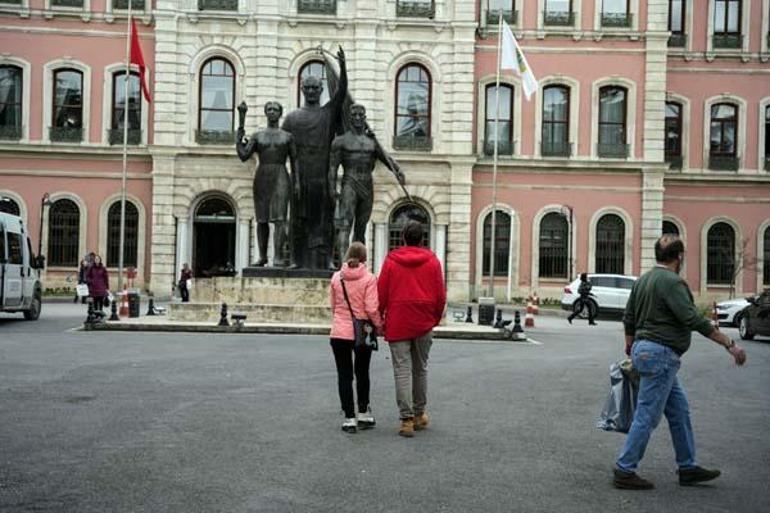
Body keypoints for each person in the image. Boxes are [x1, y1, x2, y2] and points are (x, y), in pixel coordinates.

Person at [613, 234, 747, 490]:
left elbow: (628, 317)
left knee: (679, 411)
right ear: (680, 257)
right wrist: (730, 344)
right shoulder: (672, 282)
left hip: (646, 351)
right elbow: (692, 319)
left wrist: (631, 345)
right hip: (661, 354)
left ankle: (687, 466)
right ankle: (625, 469)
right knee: (647, 414)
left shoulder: (644, 280)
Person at [378, 220, 446, 437]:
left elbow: (382, 293)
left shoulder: (391, 261)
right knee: (420, 369)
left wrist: (380, 318)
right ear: (422, 238)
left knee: (402, 370)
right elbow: (440, 295)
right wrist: (434, 319)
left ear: (404, 238)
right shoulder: (433, 261)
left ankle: (406, 419)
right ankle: (419, 414)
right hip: (424, 320)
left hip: (398, 320)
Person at [282, 46, 347, 270]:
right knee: (297, 220)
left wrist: (343, 67)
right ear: (302, 89)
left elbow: (341, 95)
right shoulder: (291, 119)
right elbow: (284, 150)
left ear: (321, 90)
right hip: (300, 176)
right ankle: (292, 259)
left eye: (315, 87)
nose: (311, 91)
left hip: (322, 177)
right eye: (307, 87)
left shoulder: (328, 113)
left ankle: (328, 259)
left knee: (326, 221)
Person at [328, 103, 405, 264]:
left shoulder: (372, 142)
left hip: (367, 185)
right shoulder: (340, 141)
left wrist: (397, 170)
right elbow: (333, 168)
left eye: (360, 115)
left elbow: (386, 159)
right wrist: (332, 189)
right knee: (344, 225)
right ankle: (343, 263)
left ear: (364, 118)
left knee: (361, 228)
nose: (357, 118)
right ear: (349, 119)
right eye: (354, 115)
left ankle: (359, 263)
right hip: (350, 183)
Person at [328, 242, 383, 433]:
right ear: (364, 258)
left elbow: (334, 306)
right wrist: (379, 325)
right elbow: (371, 308)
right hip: (362, 331)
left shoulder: (336, 278)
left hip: (339, 332)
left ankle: (349, 418)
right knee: (362, 373)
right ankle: (363, 414)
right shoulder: (369, 278)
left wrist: (340, 319)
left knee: (344, 375)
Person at [236, 101, 297, 267]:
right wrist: (239, 133)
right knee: (261, 219)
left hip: (281, 175)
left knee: (280, 219)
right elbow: (243, 155)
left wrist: (296, 182)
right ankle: (262, 256)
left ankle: (277, 257)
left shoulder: (287, 136)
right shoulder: (257, 136)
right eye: (269, 109)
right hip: (262, 175)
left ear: (280, 113)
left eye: (275, 109)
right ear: (265, 113)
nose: (272, 112)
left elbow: (295, 161)